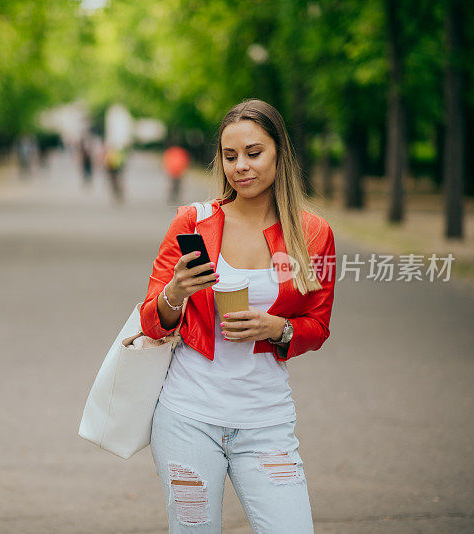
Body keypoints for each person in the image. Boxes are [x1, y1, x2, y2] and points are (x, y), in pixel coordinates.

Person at [140, 99, 336, 533]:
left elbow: (317, 326)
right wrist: (175, 291)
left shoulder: (313, 234)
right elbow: (153, 321)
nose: (241, 167)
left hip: (266, 420)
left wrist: (278, 329)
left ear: (279, 153)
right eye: (230, 156)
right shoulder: (193, 223)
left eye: (254, 152)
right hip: (187, 417)